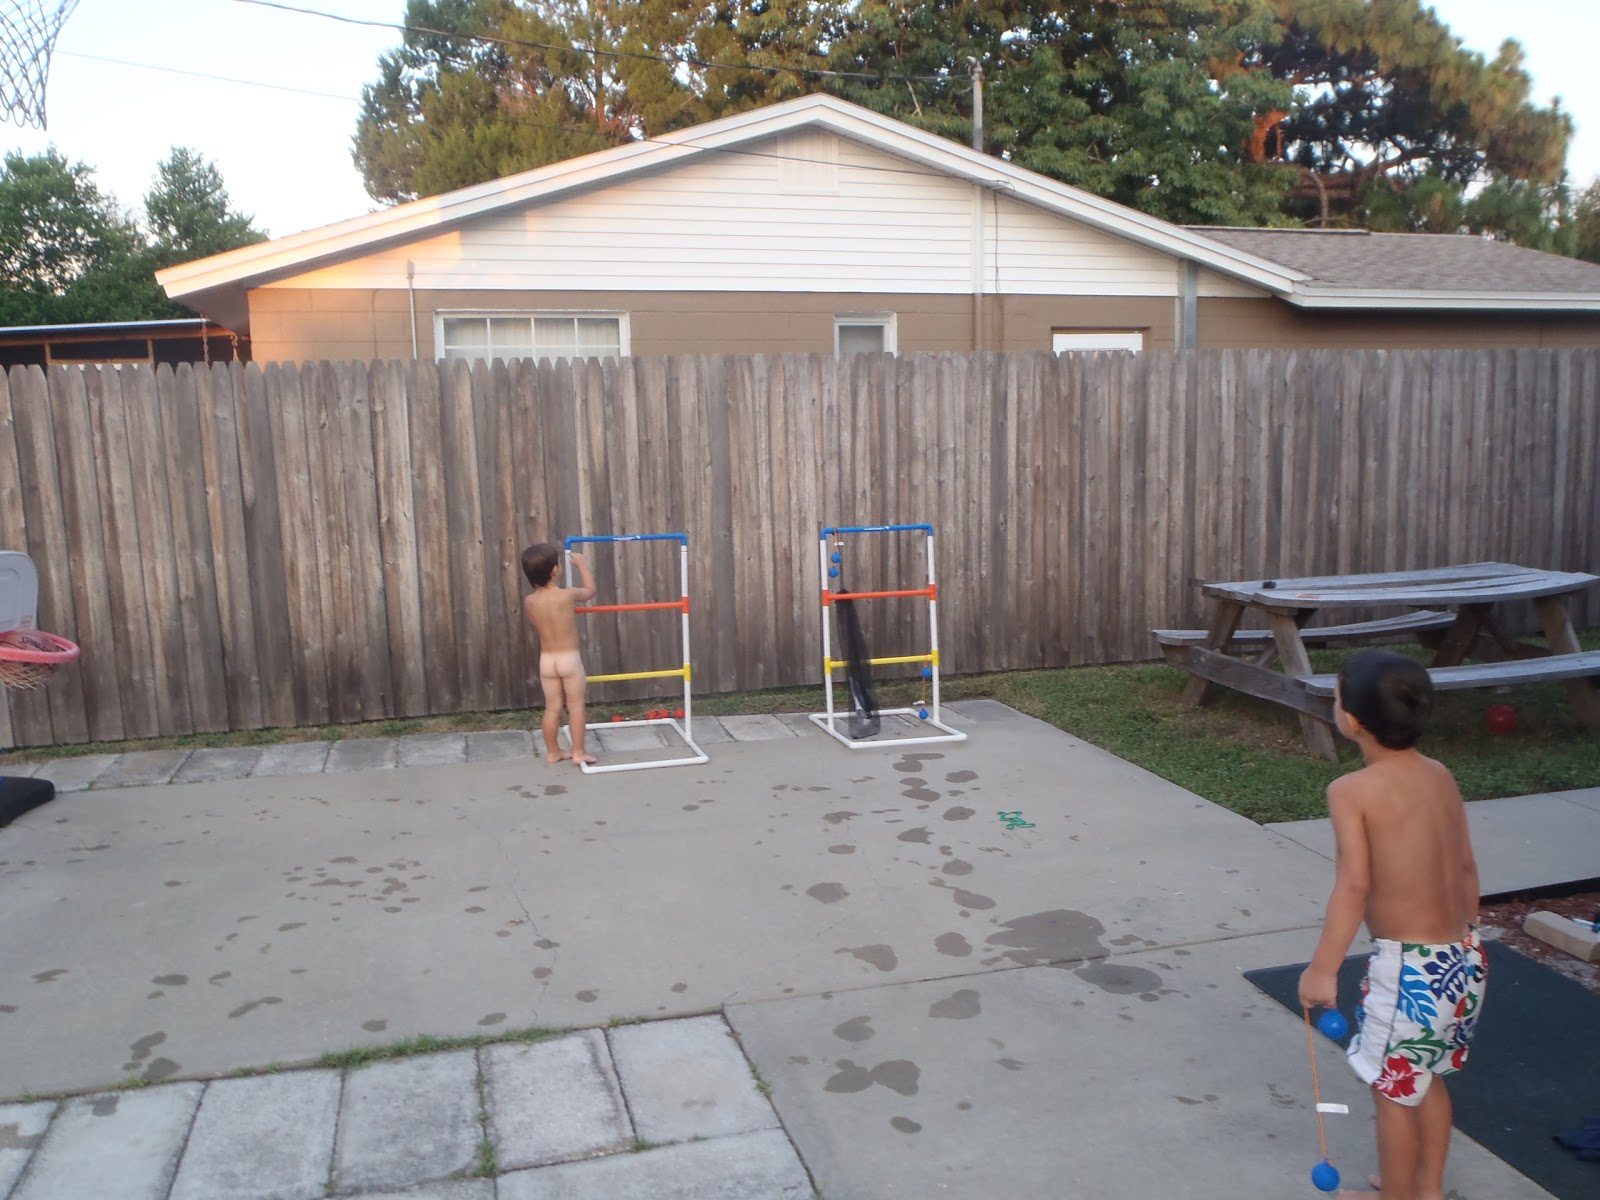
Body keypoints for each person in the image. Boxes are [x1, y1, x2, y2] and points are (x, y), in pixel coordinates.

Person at [1298, 649, 1485, 1200]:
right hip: (1464, 958)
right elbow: (1466, 866)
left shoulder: (1351, 791)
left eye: (1336, 697)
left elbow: (1354, 886)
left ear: (1353, 720)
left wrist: (1322, 969)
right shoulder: (1439, 775)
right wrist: (1464, 935)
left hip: (1411, 972)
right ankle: (1425, 1189)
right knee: (1427, 1077)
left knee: (1392, 1090)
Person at [521, 543, 598, 767]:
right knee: (576, 707)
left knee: (552, 708)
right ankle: (578, 752)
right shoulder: (567, 595)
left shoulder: (529, 601)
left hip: (547, 661)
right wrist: (582, 566)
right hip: (569, 659)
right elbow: (590, 591)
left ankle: (553, 752)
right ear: (555, 570)